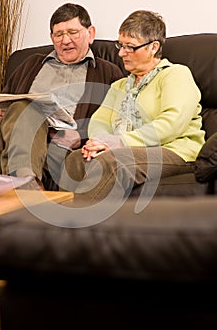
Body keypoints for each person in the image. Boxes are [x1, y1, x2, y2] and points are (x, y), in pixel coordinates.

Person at [60, 10, 205, 204]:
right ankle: (60, 221)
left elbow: (172, 123)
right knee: (76, 160)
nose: (121, 53)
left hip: (174, 150)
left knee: (113, 163)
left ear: (153, 47)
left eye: (130, 47)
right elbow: (99, 120)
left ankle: (73, 229)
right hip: (125, 150)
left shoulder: (175, 74)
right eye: (120, 45)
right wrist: (101, 142)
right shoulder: (119, 86)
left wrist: (119, 142)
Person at [0, 3, 124, 189]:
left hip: (60, 149)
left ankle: (23, 188)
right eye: (59, 34)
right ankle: (27, 187)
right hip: (11, 140)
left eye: (73, 32)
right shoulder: (30, 63)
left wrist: (80, 134)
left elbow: (117, 121)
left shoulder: (108, 73)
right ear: (52, 37)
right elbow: (1, 100)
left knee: (26, 113)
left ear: (90, 34)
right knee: (24, 108)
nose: (65, 41)